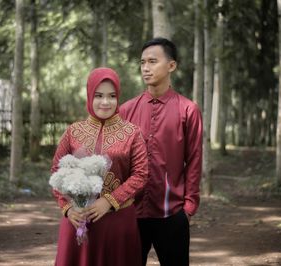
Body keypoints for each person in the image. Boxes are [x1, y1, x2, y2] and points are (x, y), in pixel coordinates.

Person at [51, 67, 148, 266]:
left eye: (112, 96)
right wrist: (68, 209)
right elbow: (56, 172)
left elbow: (141, 174)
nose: (105, 102)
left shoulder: (132, 133)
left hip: (118, 222)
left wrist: (109, 201)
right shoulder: (73, 132)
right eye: (99, 95)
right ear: (89, 96)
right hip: (78, 221)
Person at [120, 37, 203, 266]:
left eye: (153, 61)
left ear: (172, 66)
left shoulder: (188, 110)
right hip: (130, 213)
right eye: (142, 62)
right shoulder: (126, 110)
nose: (146, 68)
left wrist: (188, 207)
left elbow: (194, 159)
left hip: (172, 213)